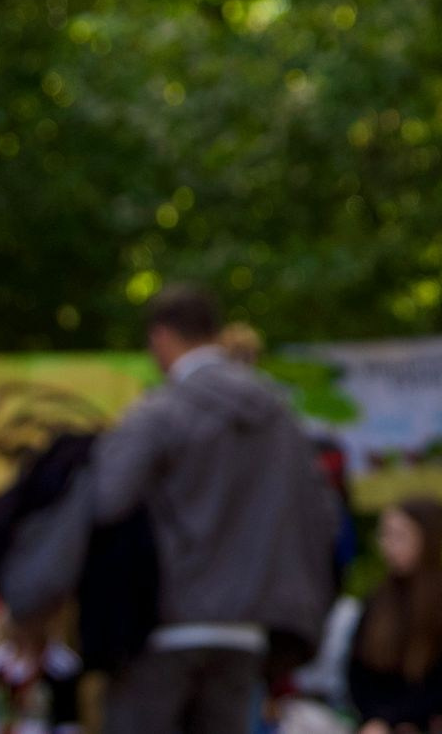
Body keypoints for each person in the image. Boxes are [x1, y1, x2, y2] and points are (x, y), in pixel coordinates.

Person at [90, 283, 340, 734]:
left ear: (161, 338)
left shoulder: (162, 410)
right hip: (246, 631)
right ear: (214, 332)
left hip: (164, 628)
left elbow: (105, 501)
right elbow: (323, 515)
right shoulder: (281, 416)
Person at [348, 498, 442, 734]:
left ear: (426, 538)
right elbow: (358, 673)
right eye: (385, 535)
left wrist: (404, 720)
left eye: (400, 535)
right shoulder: (378, 602)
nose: (389, 545)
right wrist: (379, 720)